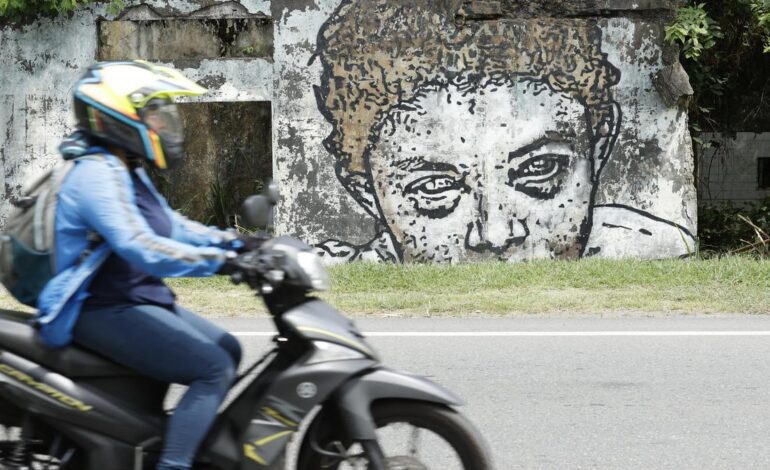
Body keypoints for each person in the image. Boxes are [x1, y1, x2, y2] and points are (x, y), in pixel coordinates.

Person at [313, 0, 696, 263]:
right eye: (433, 189)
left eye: (540, 170)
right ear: (365, 192)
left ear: (601, 143)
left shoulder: (656, 246)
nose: (495, 235)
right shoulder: (313, 281)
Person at [38, 61, 242, 470]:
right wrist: (222, 263)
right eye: (153, 114)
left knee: (229, 348)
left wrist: (239, 244)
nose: (164, 125)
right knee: (213, 368)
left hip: (134, 298)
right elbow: (142, 248)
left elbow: (174, 227)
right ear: (117, 117)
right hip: (100, 307)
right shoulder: (94, 174)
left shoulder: (125, 168)